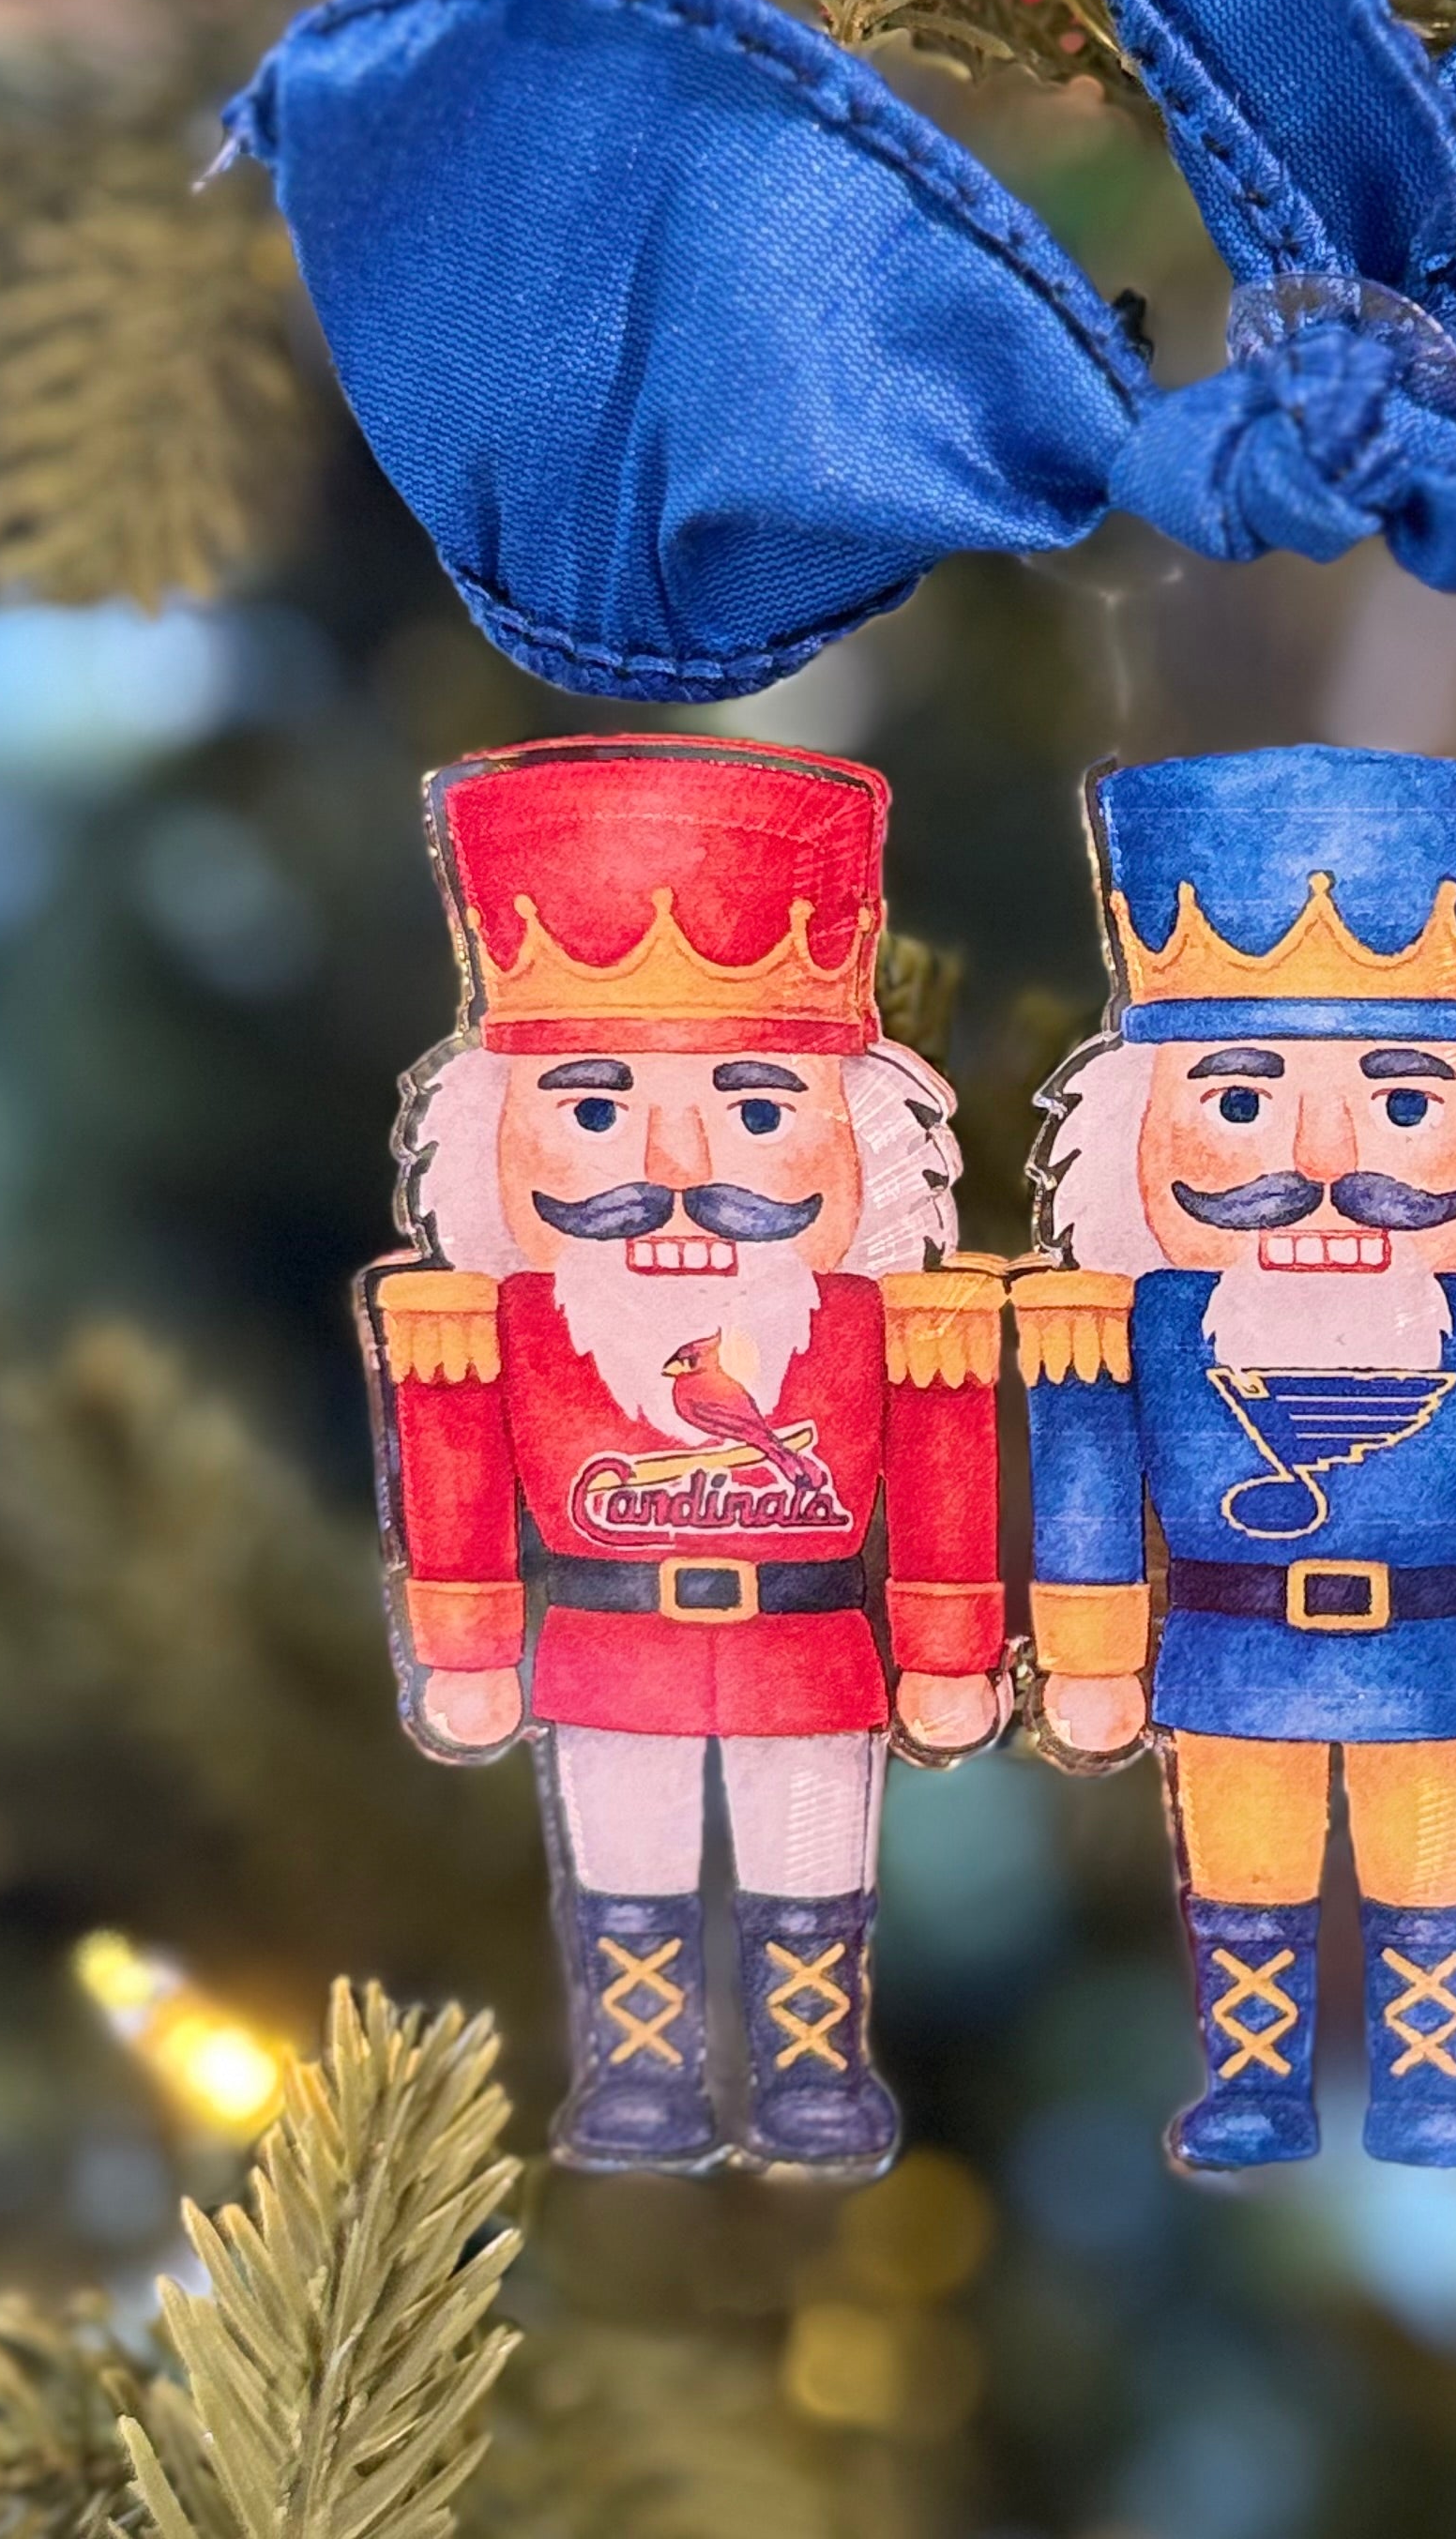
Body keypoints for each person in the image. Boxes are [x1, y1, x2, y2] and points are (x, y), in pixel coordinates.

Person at [364, 736, 1004, 2178]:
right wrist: (465, 1647)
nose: (672, 1170)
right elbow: (455, 1477)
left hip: (812, 1653)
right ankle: (641, 2074)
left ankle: (812, 2068)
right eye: (594, 1110)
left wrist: (951, 1648)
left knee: (811, 1870)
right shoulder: (488, 1322)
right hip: (606, 1654)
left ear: (860, 1133)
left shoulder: (890, 1321)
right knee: (626, 1873)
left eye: (759, 1110)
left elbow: (945, 1477)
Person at [1018, 748, 1456, 2169]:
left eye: (1406, 1104)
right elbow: (1087, 1471)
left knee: (1435, 1881)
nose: (1317, 1161)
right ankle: (1254, 2084)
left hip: (1438, 1656)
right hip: (1231, 1654)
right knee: (1245, 1875)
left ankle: (1430, 2085)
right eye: (1239, 1103)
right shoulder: (1130, 1321)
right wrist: (1090, 1652)